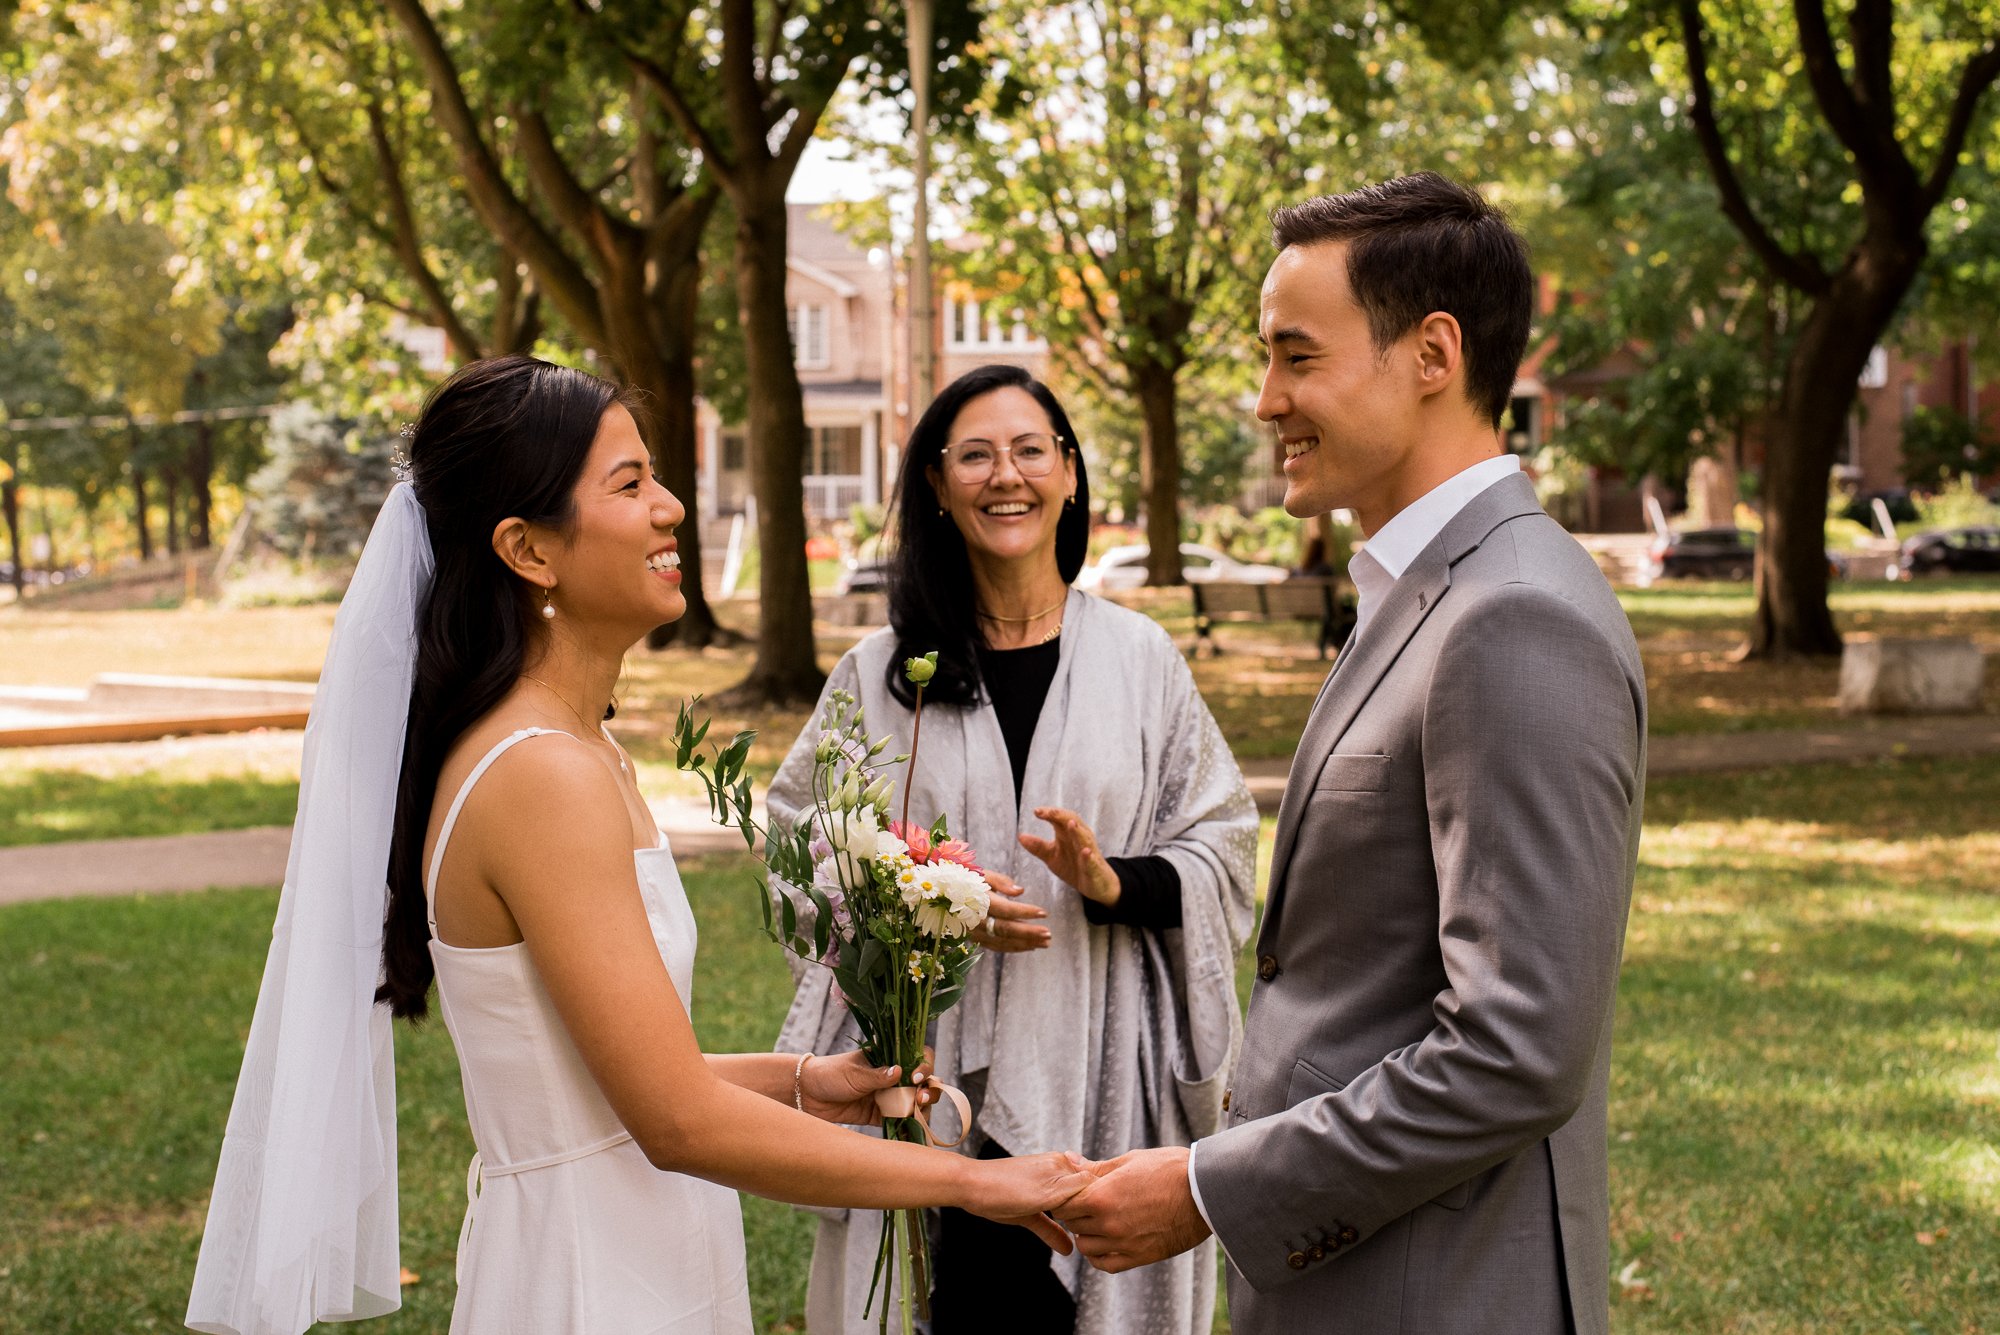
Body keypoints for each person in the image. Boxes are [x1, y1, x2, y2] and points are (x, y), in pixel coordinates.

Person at [186, 355, 1091, 1335]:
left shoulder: (581, 747)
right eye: (629, 484)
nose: (671, 508)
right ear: (528, 550)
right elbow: (674, 1123)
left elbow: (609, 1083)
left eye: (655, 476)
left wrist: (802, 1082)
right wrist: (960, 1185)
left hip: (640, 1246)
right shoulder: (540, 774)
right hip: (590, 1278)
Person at [1053, 173, 1647, 1335]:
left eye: (1295, 357)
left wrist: (1202, 1189)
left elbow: (1517, 1051)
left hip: (1439, 1288)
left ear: (1431, 354)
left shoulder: (1512, 617)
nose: (1263, 399)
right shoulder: (1426, 588)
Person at [774, 362, 1258, 1334]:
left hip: (1101, 1058)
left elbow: (1224, 845)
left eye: (1031, 450)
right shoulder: (881, 676)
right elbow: (803, 847)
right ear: (935, 486)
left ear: (1070, 475)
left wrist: (1111, 879)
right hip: (925, 1076)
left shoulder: (1138, 660)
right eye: (977, 455)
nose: (1007, 475)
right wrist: (921, 894)